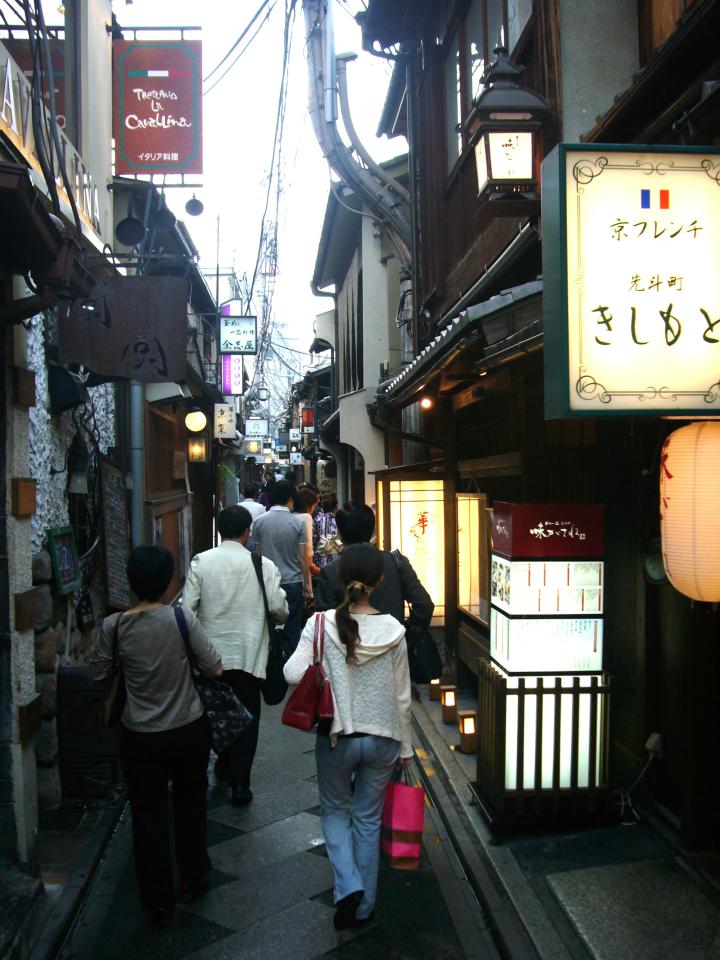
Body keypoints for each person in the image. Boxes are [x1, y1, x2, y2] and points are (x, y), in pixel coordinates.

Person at [89, 546, 222, 927]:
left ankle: (156, 898)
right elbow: (213, 667)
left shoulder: (114, 627)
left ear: (131, 583)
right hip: (187, 727)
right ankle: (193, 877)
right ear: (168, 582)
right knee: (190, 803)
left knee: (147, 815)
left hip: (140, 732)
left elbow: (98, 674)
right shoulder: (181, 619)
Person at [284, 544, 412, 930]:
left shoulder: (322, 624)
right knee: (369, 820)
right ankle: (365, 905)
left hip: (337, 737)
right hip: (384, 737)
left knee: (335, 812)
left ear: (339, 578)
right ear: (380, 581)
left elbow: (292, 673)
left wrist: (323, 662)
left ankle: (349, 884)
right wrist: (406, 748)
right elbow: (403, 696)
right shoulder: (393, 629)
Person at [182, 505, 288, 805]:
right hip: (249, 655)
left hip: (211, 658)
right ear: (247, 532)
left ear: (219, 529)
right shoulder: (263, 565)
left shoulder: (202, 562)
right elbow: (279, 610)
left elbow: (187, 609)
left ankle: (221, 764)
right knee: (248, 718)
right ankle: (241, 784)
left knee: (212, 713)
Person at [315, 502, 434, 630]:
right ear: (372, 529)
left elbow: (324, 622)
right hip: (391, 643)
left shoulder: (330, 571)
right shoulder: (396, 562)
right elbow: (424, 605)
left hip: (348, 645)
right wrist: (406, 632)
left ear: (340, 532)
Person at [253, 479, 312, 652]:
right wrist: (308, 585)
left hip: (266, 582)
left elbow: (257, 554)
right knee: (293, 625)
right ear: (290, 499)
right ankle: (292, 662)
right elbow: (302, 557)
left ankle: (272, 660)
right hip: (293, 581)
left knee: (268, 624)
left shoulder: (259, 522)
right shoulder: (298, 523)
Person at [294, 486, 321, 577]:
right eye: (314, 506)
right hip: (302, 567)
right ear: (307, 505)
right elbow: (308, 547)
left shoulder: (292, 516)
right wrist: (311, 564)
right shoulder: (306, 517)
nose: (314, 509)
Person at [313, 492, 339, 569]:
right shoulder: (339, 520)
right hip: (335, 561)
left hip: (319, 561)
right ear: (336, 506)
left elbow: (314, 540)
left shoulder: (317, 520)